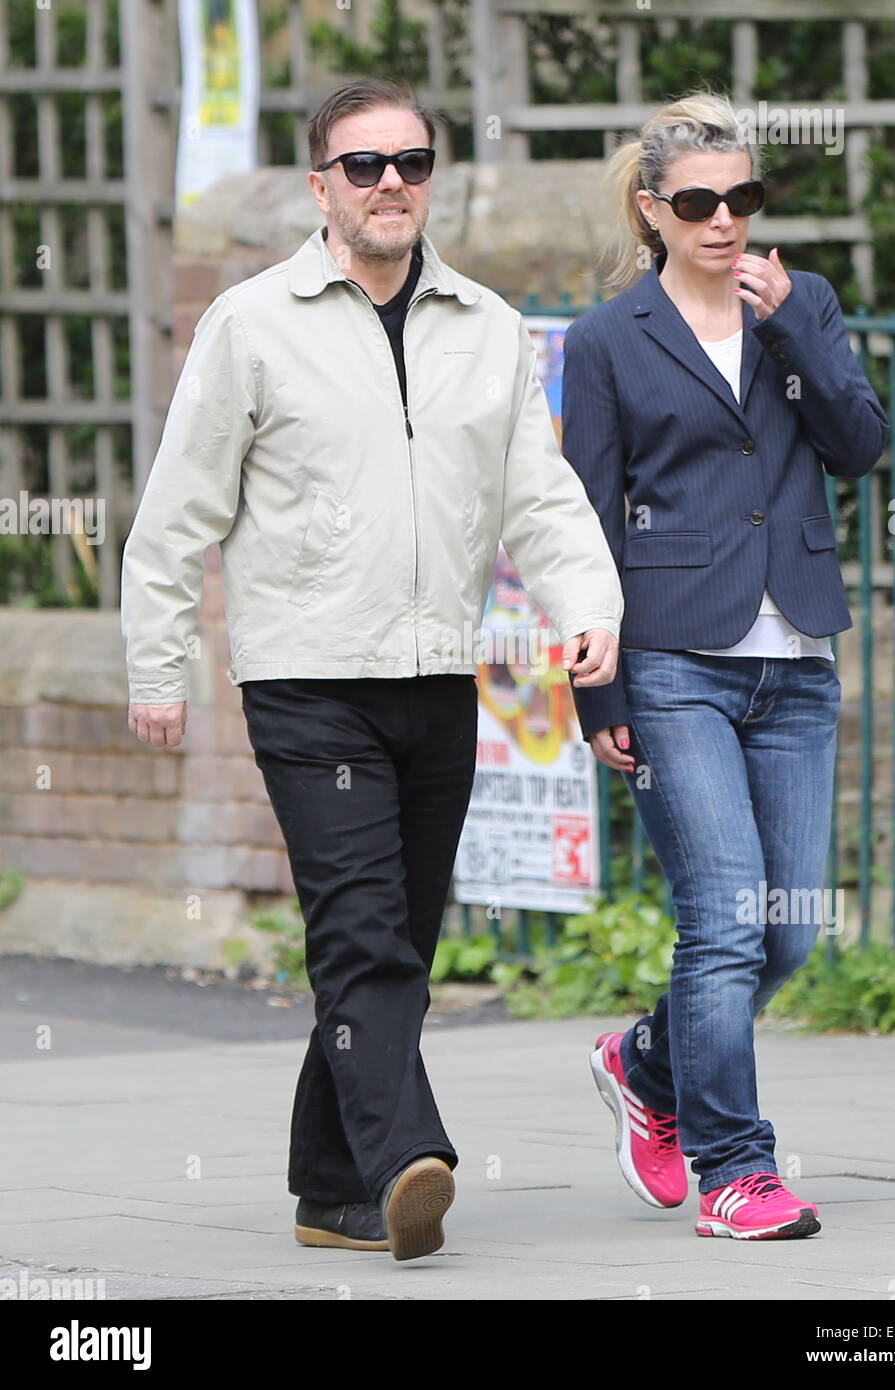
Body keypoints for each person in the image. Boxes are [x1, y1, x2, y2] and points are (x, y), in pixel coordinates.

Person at [120, 78, 624, 1262]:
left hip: (437, 673)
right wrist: (157, 664)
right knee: (361, 932)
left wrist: (590, 604)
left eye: (412, 161)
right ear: (320, 187)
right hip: (305, 678)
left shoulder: (487, 327)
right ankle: (408, 1155)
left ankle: (328, 1186)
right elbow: (175, 513)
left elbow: (537, 498)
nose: (390, 183)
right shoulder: (251, 323)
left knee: (399, 932)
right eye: (363, 166)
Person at [562, 91, 890, 1240]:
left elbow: (859, 445)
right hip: (671, 659)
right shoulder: (608, 340)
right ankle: (736, 1171)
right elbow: (588, 515)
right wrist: (594, 685)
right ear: (654, 211)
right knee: (724, 919)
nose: (724, 221)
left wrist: (794, 322)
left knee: (790, 928)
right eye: (697, 203)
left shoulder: (803, 306)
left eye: (741, 198)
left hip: (795, 657)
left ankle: (645, 1064)